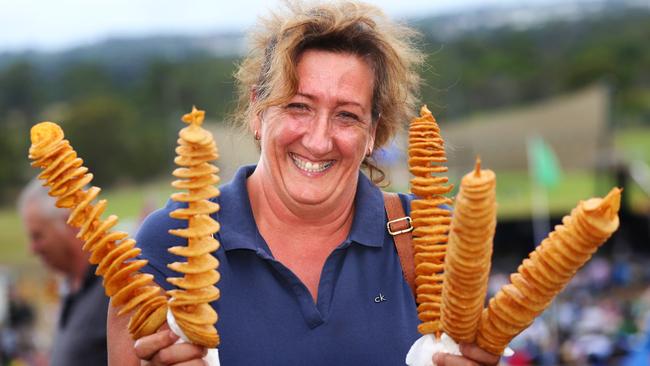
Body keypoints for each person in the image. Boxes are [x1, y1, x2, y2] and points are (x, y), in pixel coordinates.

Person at [108, 1, 501, 365]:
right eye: (298, 106)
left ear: (372, 134)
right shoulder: (171, 242)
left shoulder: (432, 238)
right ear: (257, 112)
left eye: (347, 115)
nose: (318, 139)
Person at [18, 179, 109, 366]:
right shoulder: (71, 287)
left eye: (38, 236)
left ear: (70, 222)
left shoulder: (116, 288)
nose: (32, 249)